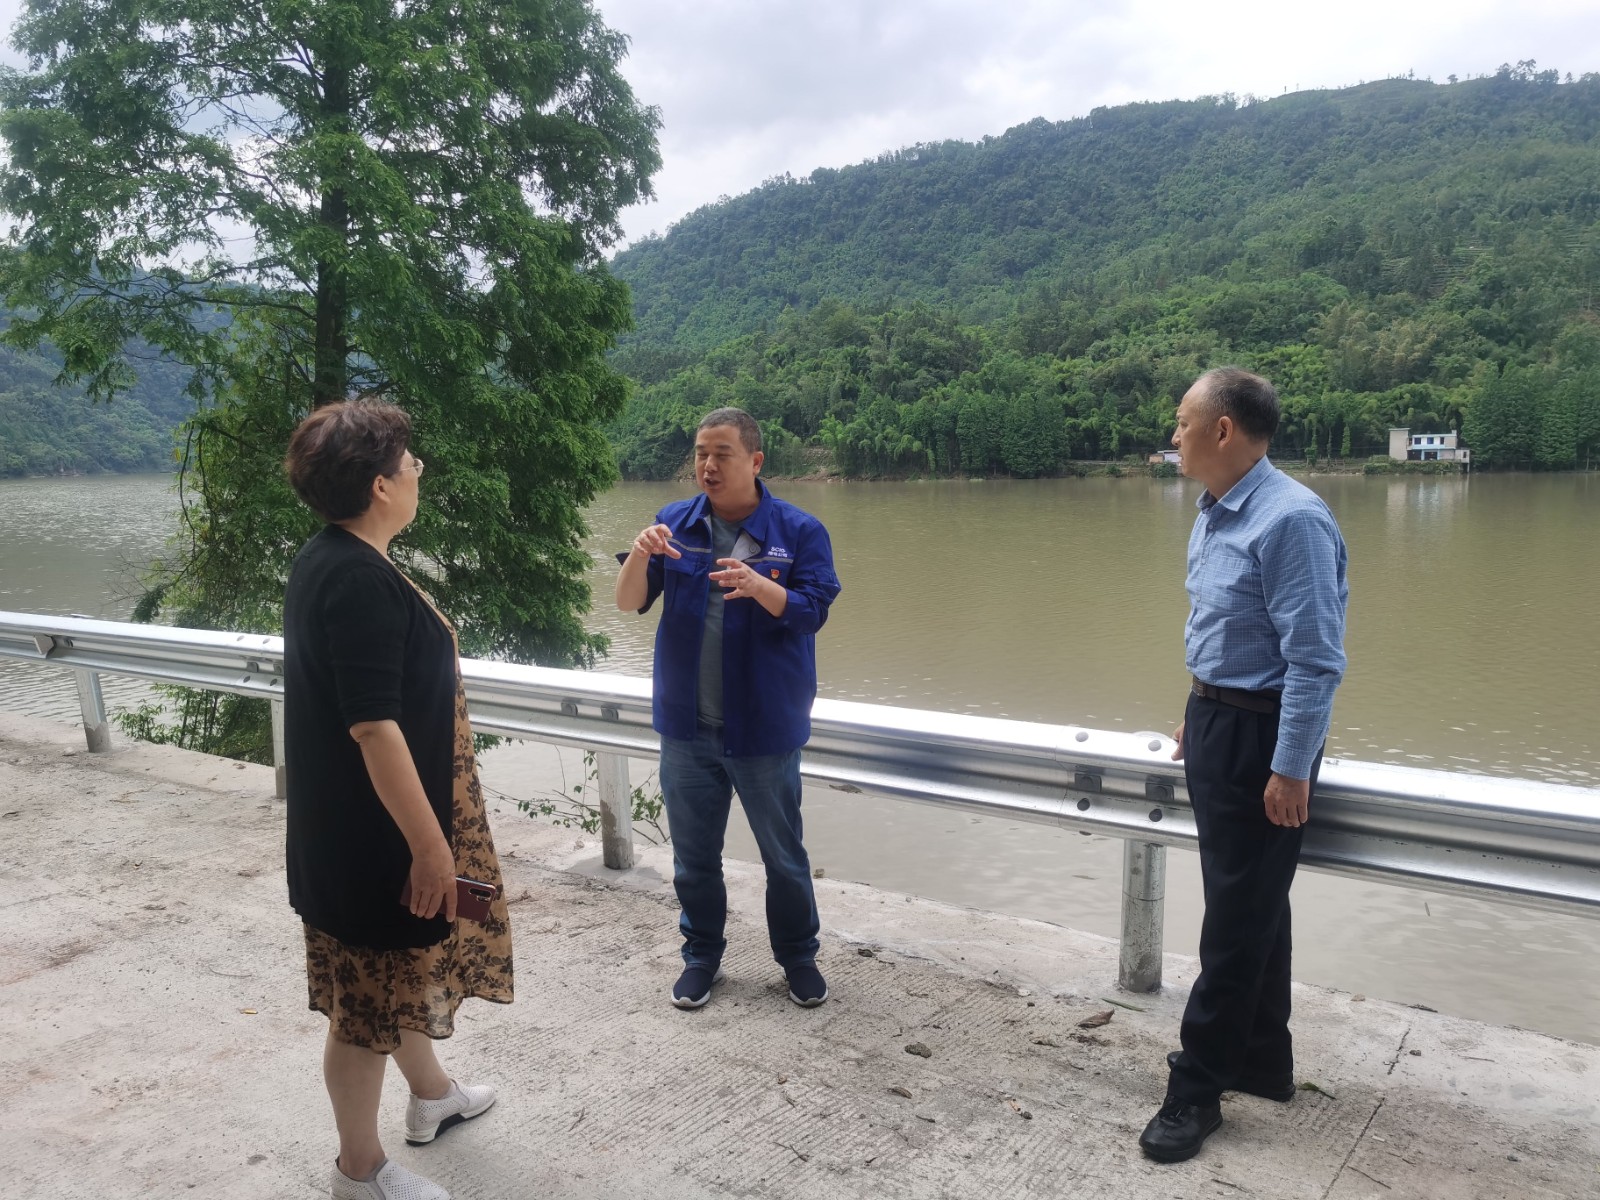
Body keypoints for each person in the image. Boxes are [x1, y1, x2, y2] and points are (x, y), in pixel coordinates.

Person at [283, 400, 513, 1200]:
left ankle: (433, 1095)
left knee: (394, 978)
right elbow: (375, 729)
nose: (418, 471)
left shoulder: (331, 557)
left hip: (354, 826)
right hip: (375, 840)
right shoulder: (356, 581)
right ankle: (359, 1170)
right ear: (381, 486)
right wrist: (430, 848)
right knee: (364, 1009)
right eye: (410, 463)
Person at [1139, 368, 1348, 1164]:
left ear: (1222, 429)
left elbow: (1315, 660)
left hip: (1266, 740)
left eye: (1183, 422)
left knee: (1232, 921)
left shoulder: (1291, 519)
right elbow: (1226, 627)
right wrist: (1200, 708)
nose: (1174, 435)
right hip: (1219, 723)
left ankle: (1196, 1088)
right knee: (1254, 904)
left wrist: (1290, 768)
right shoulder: (1216, 510)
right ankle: (1263, 1060)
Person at [615, 407, 842, 1010]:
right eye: (700, 454)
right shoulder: (674, 523)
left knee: (784, 858)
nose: (708, 466)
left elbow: (813, 612)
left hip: (764, 730)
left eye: (722, 454)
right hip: (687, 730)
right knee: (693, 859)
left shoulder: (799, 531)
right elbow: (628, 602)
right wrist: (638, 553)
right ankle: (701, 957)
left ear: (756, 461)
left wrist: (761, 585)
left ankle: (798, 958)